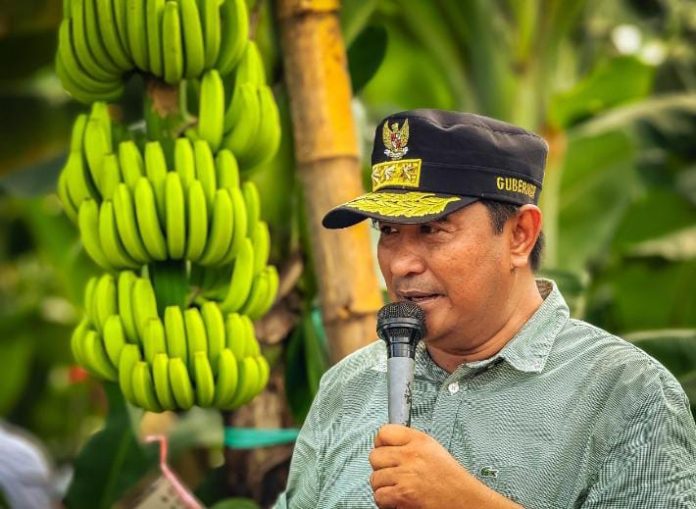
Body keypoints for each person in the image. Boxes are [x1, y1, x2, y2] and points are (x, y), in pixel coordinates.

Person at [274, 110, 696, 508]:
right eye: (388, 231)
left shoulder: (625, 393)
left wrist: (467, 501)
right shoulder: (348, 386)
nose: (400, 264)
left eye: (432, 230)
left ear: (520, 235)